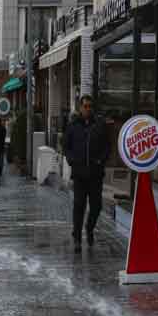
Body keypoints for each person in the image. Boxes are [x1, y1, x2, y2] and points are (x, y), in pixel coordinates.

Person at [64, 95, 110, 253]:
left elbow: (107, 146)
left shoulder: (99, 125)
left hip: (96, 175)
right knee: (79, 206)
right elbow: (66, 147)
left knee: (97, 206)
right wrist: (72, 161)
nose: (88, 109)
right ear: (80, 108)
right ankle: (77, 237)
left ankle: (89, 228)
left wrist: (101, 161)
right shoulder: (72, 126)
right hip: (79, 174)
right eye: (85, 106)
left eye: (90, 106)